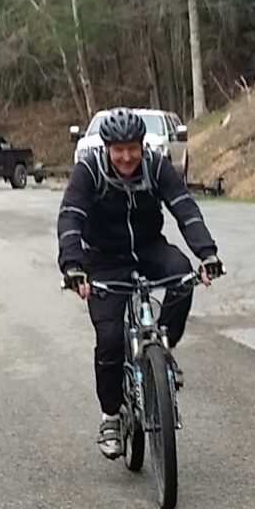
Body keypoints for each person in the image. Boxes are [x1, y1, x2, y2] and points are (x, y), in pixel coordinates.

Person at [56, 107, 225, 460]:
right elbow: (71, 216)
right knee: (110, 340)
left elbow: (184, 208)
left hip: (149, 248)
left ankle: (161, 350)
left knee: (182, 279)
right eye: (119, 150)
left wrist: (206, 254)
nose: (127, 156)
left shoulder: (155, 166)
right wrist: (73, 266)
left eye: (132, 148)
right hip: (102, 257)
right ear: (106, 148)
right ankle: (110, 417)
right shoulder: (89, 171)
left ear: (141, 145)